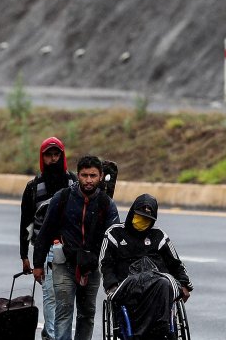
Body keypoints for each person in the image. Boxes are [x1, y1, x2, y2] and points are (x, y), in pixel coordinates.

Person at [33, 154, 120, 340]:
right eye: (84, 175)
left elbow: (114, 240)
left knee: (87, 314)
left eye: (93, 176)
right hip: (64, 264)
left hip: (92, 267)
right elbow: (45, 232)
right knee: (64, 312)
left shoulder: (107, 204)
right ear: (78, 175)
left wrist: (114, 271)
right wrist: (38, 264)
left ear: (100, 176)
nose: (88, 180)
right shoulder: (62, 198)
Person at [99, 194, 192, 340]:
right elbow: (106, 264)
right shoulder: (115, 233)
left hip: (158, 282)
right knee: (147, 282)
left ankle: (161, 327)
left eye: (147, 218)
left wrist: (185, 284)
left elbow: (175, 263)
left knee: (164, 282)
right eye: (140, 215)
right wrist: (111, 287)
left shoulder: (159, 236)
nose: (142, 221)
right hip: (128, 284)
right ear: (132, 213)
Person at [20, 137, 78, 340]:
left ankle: (53, 333)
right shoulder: (34, 187)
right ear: (42, 157)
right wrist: (24, 256)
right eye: (48, 155)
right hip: (43, 249)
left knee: (67, 297)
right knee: (51, 296)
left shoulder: (74, 183)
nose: (53, 159)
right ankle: (53, 335)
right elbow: (25, 223)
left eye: (56, 155)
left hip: (70, 248)